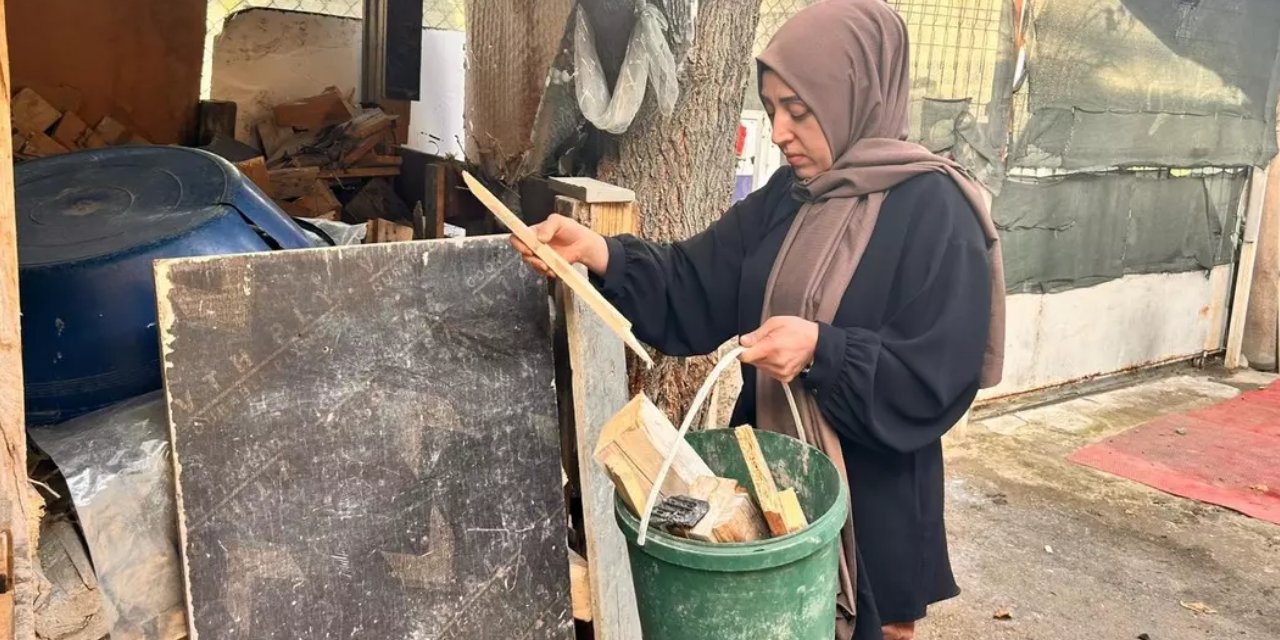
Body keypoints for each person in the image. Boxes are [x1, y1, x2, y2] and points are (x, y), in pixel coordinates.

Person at [511, 0, 1006, 638]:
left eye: (799, 110)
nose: (779, 133)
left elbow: (937, 372)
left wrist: (824, 351)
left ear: (854, 95)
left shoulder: (935, 210)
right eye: (772, 110)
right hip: (772, 477)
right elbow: (695, 280)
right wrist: (598, 252)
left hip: (876, 507)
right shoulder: (790, 198)